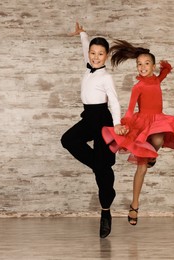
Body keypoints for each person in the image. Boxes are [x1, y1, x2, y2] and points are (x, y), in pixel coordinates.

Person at [102, 40, 174, 225]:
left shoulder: (156, 79)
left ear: (153, 66)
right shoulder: (137, 87)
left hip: (158, 121)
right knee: (142, 166)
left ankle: (152, 156)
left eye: (146, 63)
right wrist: (124, 125)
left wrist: (166, 68)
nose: (142, 67)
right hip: (142, 124)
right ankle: (134, 206)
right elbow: (130, 109)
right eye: (139, 64)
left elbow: (162, 76)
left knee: (158, 138)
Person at [61, 22, 127, 238]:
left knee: (103, 174)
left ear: (106, 56)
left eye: (100, 54)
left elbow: (114, 102)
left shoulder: (106, 77)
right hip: (88, 117)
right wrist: (83, 35)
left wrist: (117, 123)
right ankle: (98, 165)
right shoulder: (88, 64)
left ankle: (106, 211)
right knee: (68, 140)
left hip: (103, 120)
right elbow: (84, 48)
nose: (95, 57)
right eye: (93, 53)